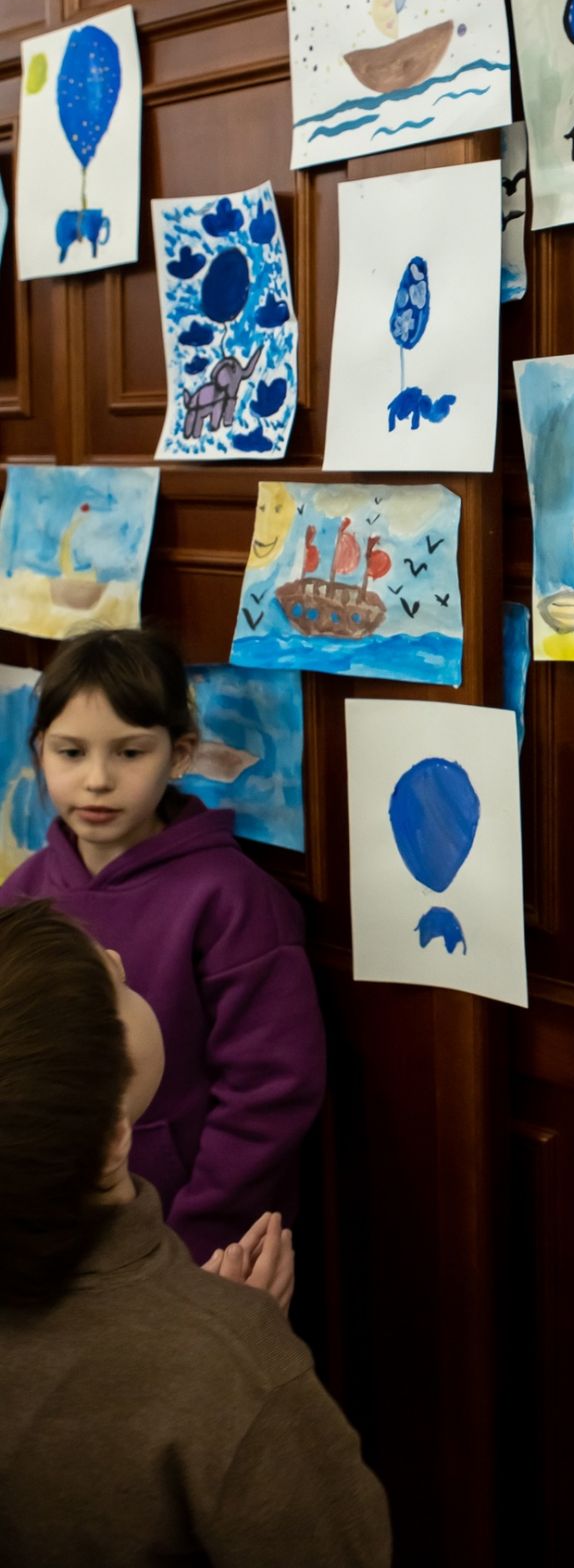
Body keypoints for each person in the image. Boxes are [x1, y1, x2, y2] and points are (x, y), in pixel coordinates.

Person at [0, 898, 390, 1566]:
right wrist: (224, 1348)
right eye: (113, 991)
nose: (116, 957)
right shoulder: (237, 1369)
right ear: (110, 1141)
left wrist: (192, 1326)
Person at [0, 627, 325, 1262]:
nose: (97, 780)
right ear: (40, 750)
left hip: (194, 1244)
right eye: (71, 752)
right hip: (50, 1245)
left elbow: (271, 1090)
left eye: (129, 752)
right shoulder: (21, 896)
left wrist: (198, 1238)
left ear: (179, 755)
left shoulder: (232, 898)